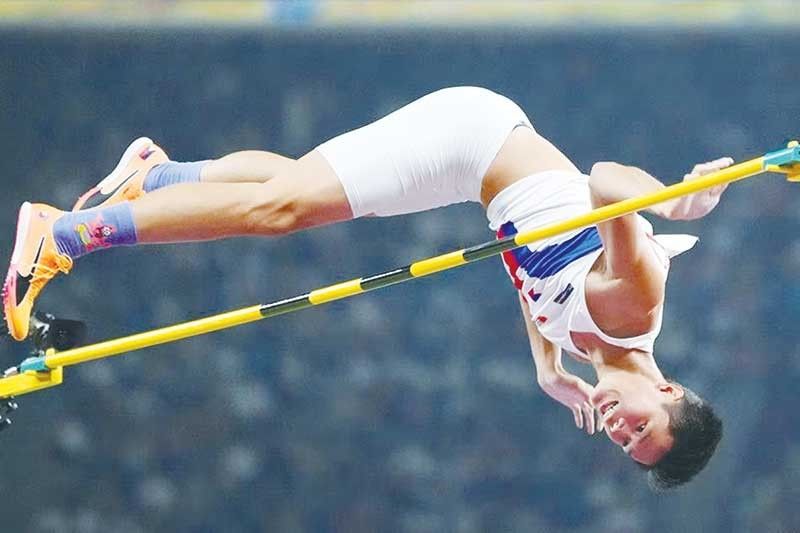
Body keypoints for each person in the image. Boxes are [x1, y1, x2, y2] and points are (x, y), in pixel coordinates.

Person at [2, 86, 722, 488]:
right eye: (640, 427)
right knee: (277, 212)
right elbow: (604, 183)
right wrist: (669, 199)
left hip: (471, 174)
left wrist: (545, 363)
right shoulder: (636, 305)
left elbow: (538, 274)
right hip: (470, 140)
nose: (619, 428)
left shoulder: (592, 350)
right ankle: (61, 235)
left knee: (294, 185)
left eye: (624, 444)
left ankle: (154, 177)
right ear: (667, 393)